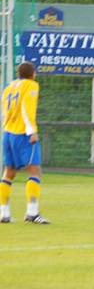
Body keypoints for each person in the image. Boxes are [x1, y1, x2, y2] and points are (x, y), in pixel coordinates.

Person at [0, 62, 49, 224]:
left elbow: (5, 108)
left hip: (8, 132)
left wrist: (7, 126)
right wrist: (32, 131)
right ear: (32, 73)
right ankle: (32, 213)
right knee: (35, 171)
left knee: (9, 173)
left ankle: (4, 213)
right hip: (23, 133)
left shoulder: (9, 86)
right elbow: (27, 108)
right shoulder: (31, 85)